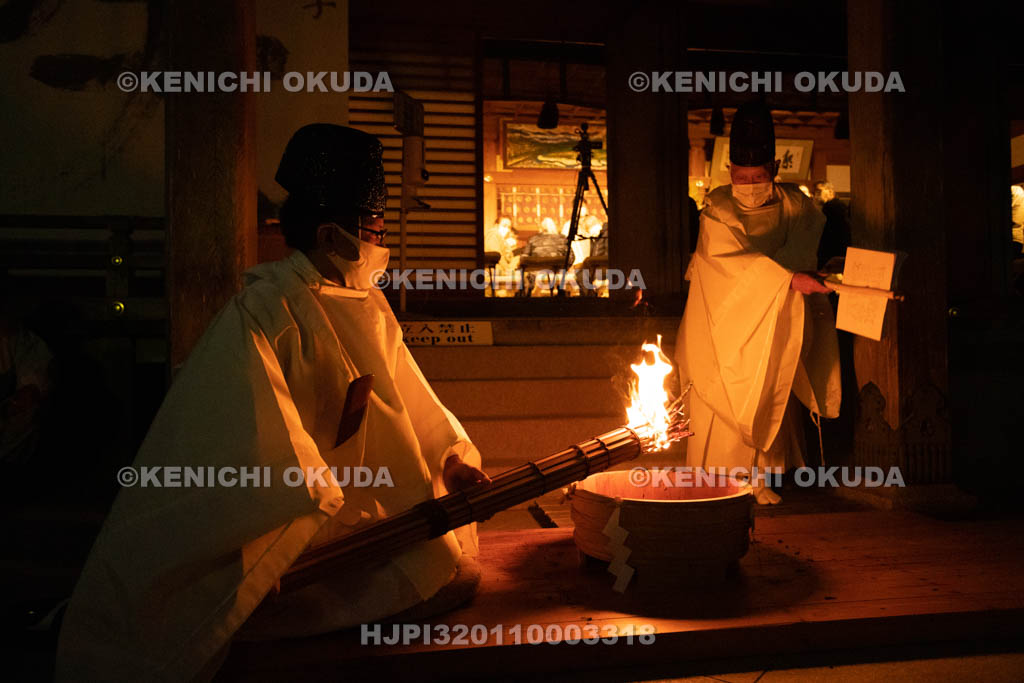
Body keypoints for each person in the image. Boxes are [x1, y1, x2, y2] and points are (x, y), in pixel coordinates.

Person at [56, 124, 491, 681]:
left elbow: (415, 402)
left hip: (375, 525)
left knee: (445, 561)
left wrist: (451, 459)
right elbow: (248, 443)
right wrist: (313, 500)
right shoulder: (266, 312)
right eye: (375, 230)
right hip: (303, 539)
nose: (382, 246)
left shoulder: (370, 306)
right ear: (332, 233)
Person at [675, 102, 841, 504]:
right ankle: (719, 481)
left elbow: (804, 252)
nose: (749, 184)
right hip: (720, 318)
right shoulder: (717, 208)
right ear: (729, 172)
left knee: (772, 378)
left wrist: (805, 277)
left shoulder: (798, 207)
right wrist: (785, 278)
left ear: (774, 172)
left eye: (758, 177)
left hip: (777, 316)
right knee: (723, 389)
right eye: (742, 177)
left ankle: (763, 476)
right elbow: (724, 265)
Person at [813, 180, 852, 269]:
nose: (816, 195)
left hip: (832, 252)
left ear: (830, 192)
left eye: (819, 191)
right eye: (815, 192)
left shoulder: (832, 208)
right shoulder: (835, 206)